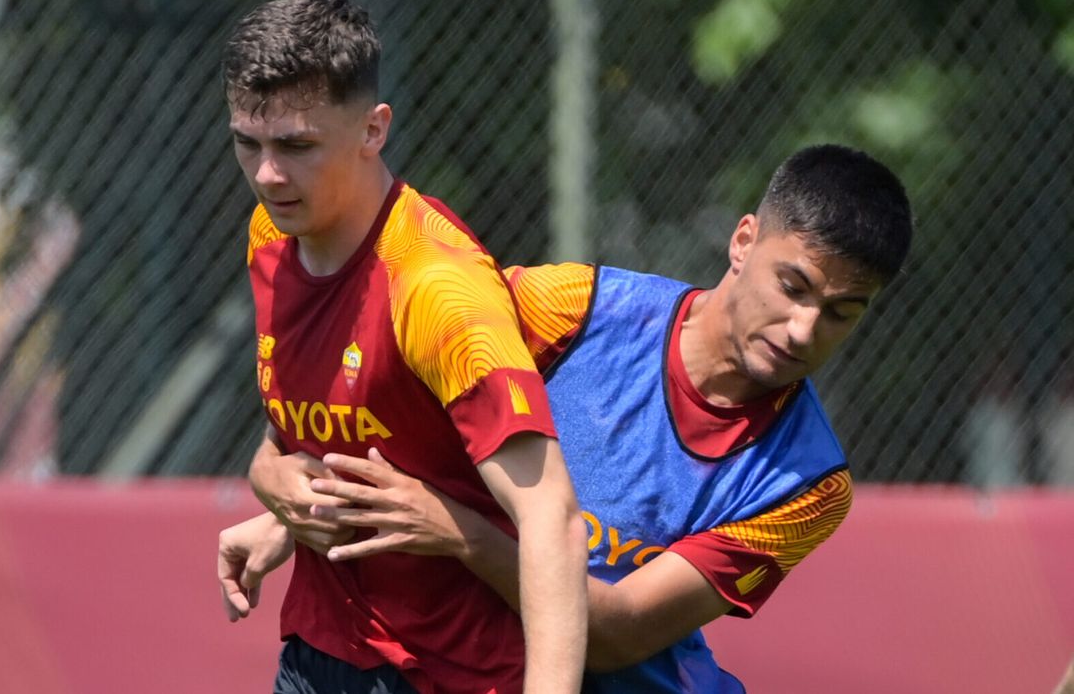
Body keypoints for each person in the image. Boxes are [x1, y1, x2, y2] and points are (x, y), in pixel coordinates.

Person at [223, 144, 914, 692]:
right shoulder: (571, 309)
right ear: (743, 241)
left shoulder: (808, 485)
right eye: (792, 286)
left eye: (840, 313)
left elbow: (613, 635)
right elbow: (397, 389)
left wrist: (457, 533)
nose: (802, 329)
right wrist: (286, 492)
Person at [217, 0, 588, 694]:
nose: (267, 174)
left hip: (452, 675)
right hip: (317, 657)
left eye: (296, 145)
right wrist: (278, 505)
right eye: (248, 142)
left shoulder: (437, 288)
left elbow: (552, 519)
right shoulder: (271, 236)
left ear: (373, 130)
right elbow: (303, 433)